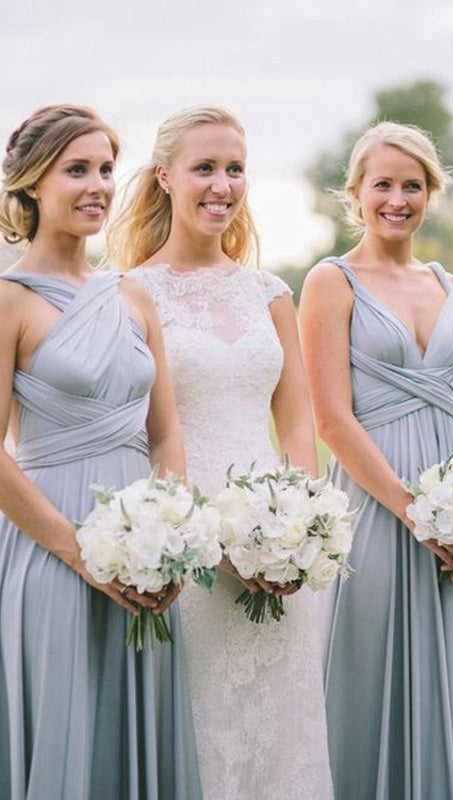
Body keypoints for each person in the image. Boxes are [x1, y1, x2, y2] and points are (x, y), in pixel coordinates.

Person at [110, 105, 333, 800]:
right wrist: (195, 536)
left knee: (284, 731)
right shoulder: (130, 295)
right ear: (164, 179)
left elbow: (298, 426)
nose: (222, 184)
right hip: (185, 543)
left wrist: (300, 530)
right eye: (204, 168)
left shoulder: (271, 295)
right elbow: (142, 431)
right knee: (204, 731)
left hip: (276, 539)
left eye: (235, 169)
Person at [0, 104, 202, 800]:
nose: (96, 186)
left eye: (106, 170)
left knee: (134, 727)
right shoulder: (8, 302)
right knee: (66, 726)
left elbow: (166, 432)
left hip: (143, 555)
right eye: (75, 169)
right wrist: (75, 550)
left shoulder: (135, 296)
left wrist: (170, 530)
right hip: (50, 546)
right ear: (31, 184)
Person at [299, 121, 453, 799]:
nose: (397, 198)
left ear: (430, 194)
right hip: (377, 504)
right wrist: (414, 511)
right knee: (370, 670)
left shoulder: (451, 285)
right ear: (354, 193)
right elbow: (331, 417)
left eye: (411, 185)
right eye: (382, 184)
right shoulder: (331, 282)